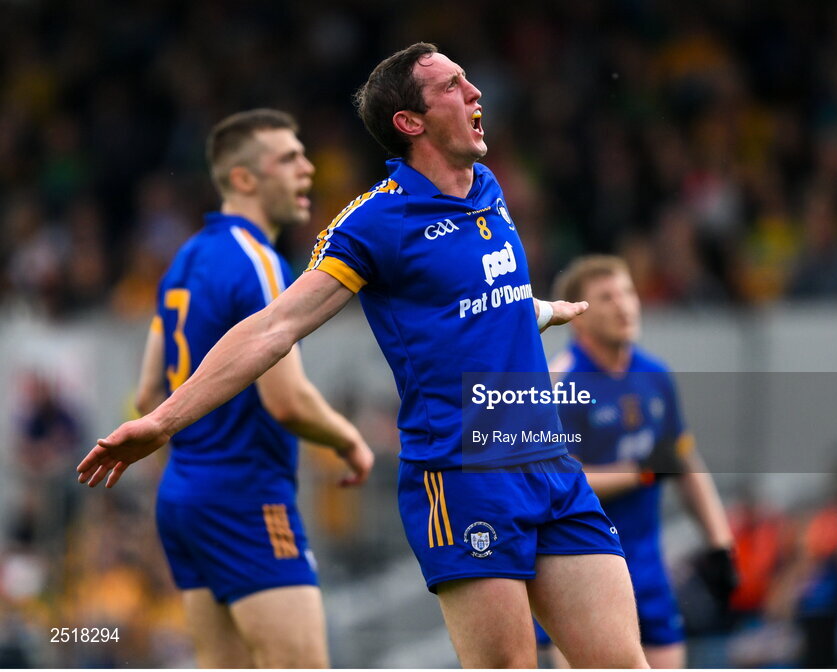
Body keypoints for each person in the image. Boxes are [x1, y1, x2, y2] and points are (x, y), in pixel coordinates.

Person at [78, 44, 648, 668]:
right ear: (411, 121)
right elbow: (274, 328)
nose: (475, 93)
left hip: (551, 464)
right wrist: (161, 421)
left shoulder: (486, 186)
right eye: (455, 86)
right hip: (463, 477)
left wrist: (535, 310)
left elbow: (465, 297)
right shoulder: (373, 222)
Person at [120, 109, 374, 668]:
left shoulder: (183, 260)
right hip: (246, 496)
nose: (308, 169)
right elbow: (286, 400)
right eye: (288, 158)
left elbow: (146, 396)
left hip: (184, 497)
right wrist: (348, 439)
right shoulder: (259, 261)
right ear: (243, 179)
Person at [538, 255, 736, 668]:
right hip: (579, 567)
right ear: (578, 315)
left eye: (627, 292)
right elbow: (554, 484)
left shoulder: (655, 375)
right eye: (606, 298)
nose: (624, 305)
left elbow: (681, 460)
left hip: (647, 566)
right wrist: (639, 471)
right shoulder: (560, 385)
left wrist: (720, 543)